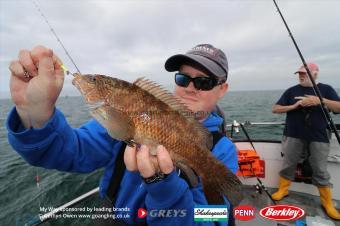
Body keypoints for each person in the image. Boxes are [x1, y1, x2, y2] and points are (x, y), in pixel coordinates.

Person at [6, 44, 238, 225]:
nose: (190, 87)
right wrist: (36, 116)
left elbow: (210, 219)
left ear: (223, 89)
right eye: (183, 78)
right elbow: (69, 152)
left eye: (204, 82)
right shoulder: (113, 122)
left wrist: (163, 185)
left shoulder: (223, 152)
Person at [271, 62, 340, 220]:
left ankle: (327, 203)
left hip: (319, 136)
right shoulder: (291, 91)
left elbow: (338, 108)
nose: (301, 76)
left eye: (305, 73)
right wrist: (294, 106)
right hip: (293, 134)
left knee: (320, 169)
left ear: (316, 73)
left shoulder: (326, 89)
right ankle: (284, 189)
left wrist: (320, 101)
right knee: (288, 163)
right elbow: (275, 109)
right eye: (300, 73)